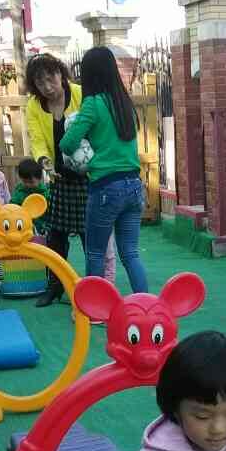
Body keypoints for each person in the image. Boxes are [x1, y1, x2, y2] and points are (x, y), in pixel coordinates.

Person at [25, 53, 115, 307]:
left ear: (61, 74)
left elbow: (96, 126)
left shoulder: (80, 94)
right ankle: (54, 286)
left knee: (90, 236)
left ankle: (95, 288)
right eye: (40, 82)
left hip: (88, 175)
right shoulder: (34, 105)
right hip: (59, 177)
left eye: (51, 78)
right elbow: (37, 139)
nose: (47, 86)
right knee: (56, 237)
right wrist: (44, 161)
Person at [58, 46, 147, 293]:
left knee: (95, 253)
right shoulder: (124, 103)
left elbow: (67, 144)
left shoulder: (93, 104)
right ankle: (147, 307)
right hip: (134, 185)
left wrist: (84, 143)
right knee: (130, 253)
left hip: (106, 187)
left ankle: (93, 309)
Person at [10, 157, 50, 237]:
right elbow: (13, 206)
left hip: (42, 227)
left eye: (31, 182)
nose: (28, 184)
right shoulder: (19, 191)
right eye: (25, 181)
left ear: (40, 179)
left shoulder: (44, 192)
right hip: (23, 227)